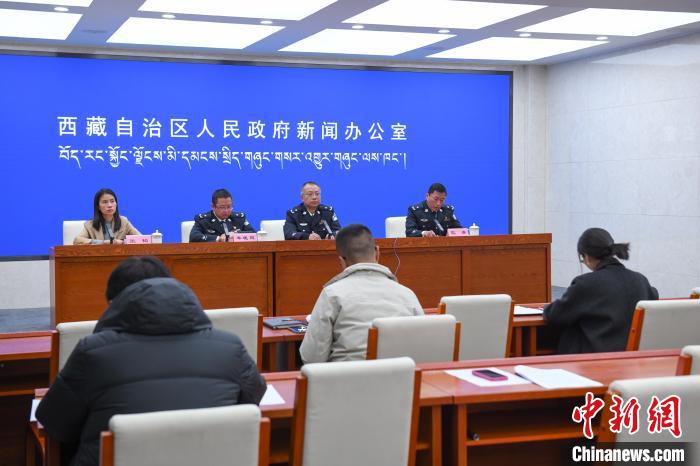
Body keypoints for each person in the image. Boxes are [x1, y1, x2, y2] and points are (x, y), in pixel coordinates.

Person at [36, 256, 267, 466]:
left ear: (114, 303)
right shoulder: (230, 346)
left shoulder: (92, 352)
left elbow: (55, 423)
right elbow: (252, 401)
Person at [300, 224, 423, 363]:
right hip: (401, 375)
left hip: (347, 376)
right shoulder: (407, 294)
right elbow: (423, 347)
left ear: (341, 261)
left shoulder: (332, 295)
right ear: (377, 252)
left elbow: (311, 358)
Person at [543, 228, 658, 354]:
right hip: (633, 359)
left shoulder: (585, 284)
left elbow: (554, 315)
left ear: (586, 257)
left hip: (592, 360)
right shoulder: (641, 280)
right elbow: (654, 298)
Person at [73, 188, 140, 244]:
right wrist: (102, 242)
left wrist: (123, 242)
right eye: (105, 202)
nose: (110, 205)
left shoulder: (124, 221)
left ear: (116, 204)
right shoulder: (90, 224)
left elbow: (141, 239)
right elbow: (77, 240)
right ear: (98, 207)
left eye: (112, 201)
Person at [190, 188, 255, 242]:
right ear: (213, 206)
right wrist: (218, 238)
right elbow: (193, 237)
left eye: (229, 207)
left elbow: (254, 234)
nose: (226, 211)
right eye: (222, 207)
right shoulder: (203, 220)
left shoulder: (239, 218)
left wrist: (235, 234)